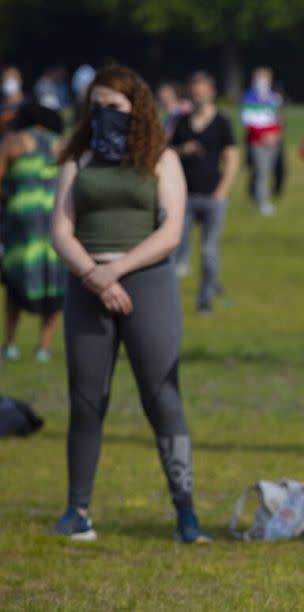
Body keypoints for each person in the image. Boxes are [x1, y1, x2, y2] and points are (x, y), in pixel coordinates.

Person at [50, 65, 210, 542]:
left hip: (146, 284)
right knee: (85, 400)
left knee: (162, 397)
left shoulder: (160, 157)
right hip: (87, 285)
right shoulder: (77, 159)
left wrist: (115, 272)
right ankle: (77, 510)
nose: (104, 114)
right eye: (96, 106)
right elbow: (60, 229)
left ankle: (186, 513)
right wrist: (93, 276)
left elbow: (170, 231)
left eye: (114, 106)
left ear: (135, 109)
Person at [0, 103, 66, 363]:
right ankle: (44, 347)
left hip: (21, 220)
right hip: (55, 220)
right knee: (55, 283)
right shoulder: (62, 145)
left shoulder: (14, 141)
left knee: (15, 281)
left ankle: (11, 344)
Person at [171, 71, 239, 312]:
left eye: (202, 91)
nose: (198, 96)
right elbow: (166, 154)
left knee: (209, 251)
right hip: (185, 195)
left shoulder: (221, 122)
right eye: (194, 91)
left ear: (211, 92)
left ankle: (205, 300)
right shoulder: (181, 122)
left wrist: (222, 191)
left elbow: (232, 157)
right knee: (176, 251)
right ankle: (169, 301)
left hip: (212, 195)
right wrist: (183, 150)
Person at [241, 66, 283, 217]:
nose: (262, 81)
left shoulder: (274, 98)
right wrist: (262, 135)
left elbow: (278, 119)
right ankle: (262, 202)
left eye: (265, 78)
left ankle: (260, 197)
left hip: (273, 141)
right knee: (261, 173)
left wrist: (275, 134)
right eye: (259, 78)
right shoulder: (249, 97)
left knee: (268, 172)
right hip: (257, 141)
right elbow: (247, 120)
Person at [0, 66, 26, 133]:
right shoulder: (1, 107)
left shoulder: (29, 105)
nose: (9, 81)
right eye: (6, 78)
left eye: (12, 77)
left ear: (20, 80)